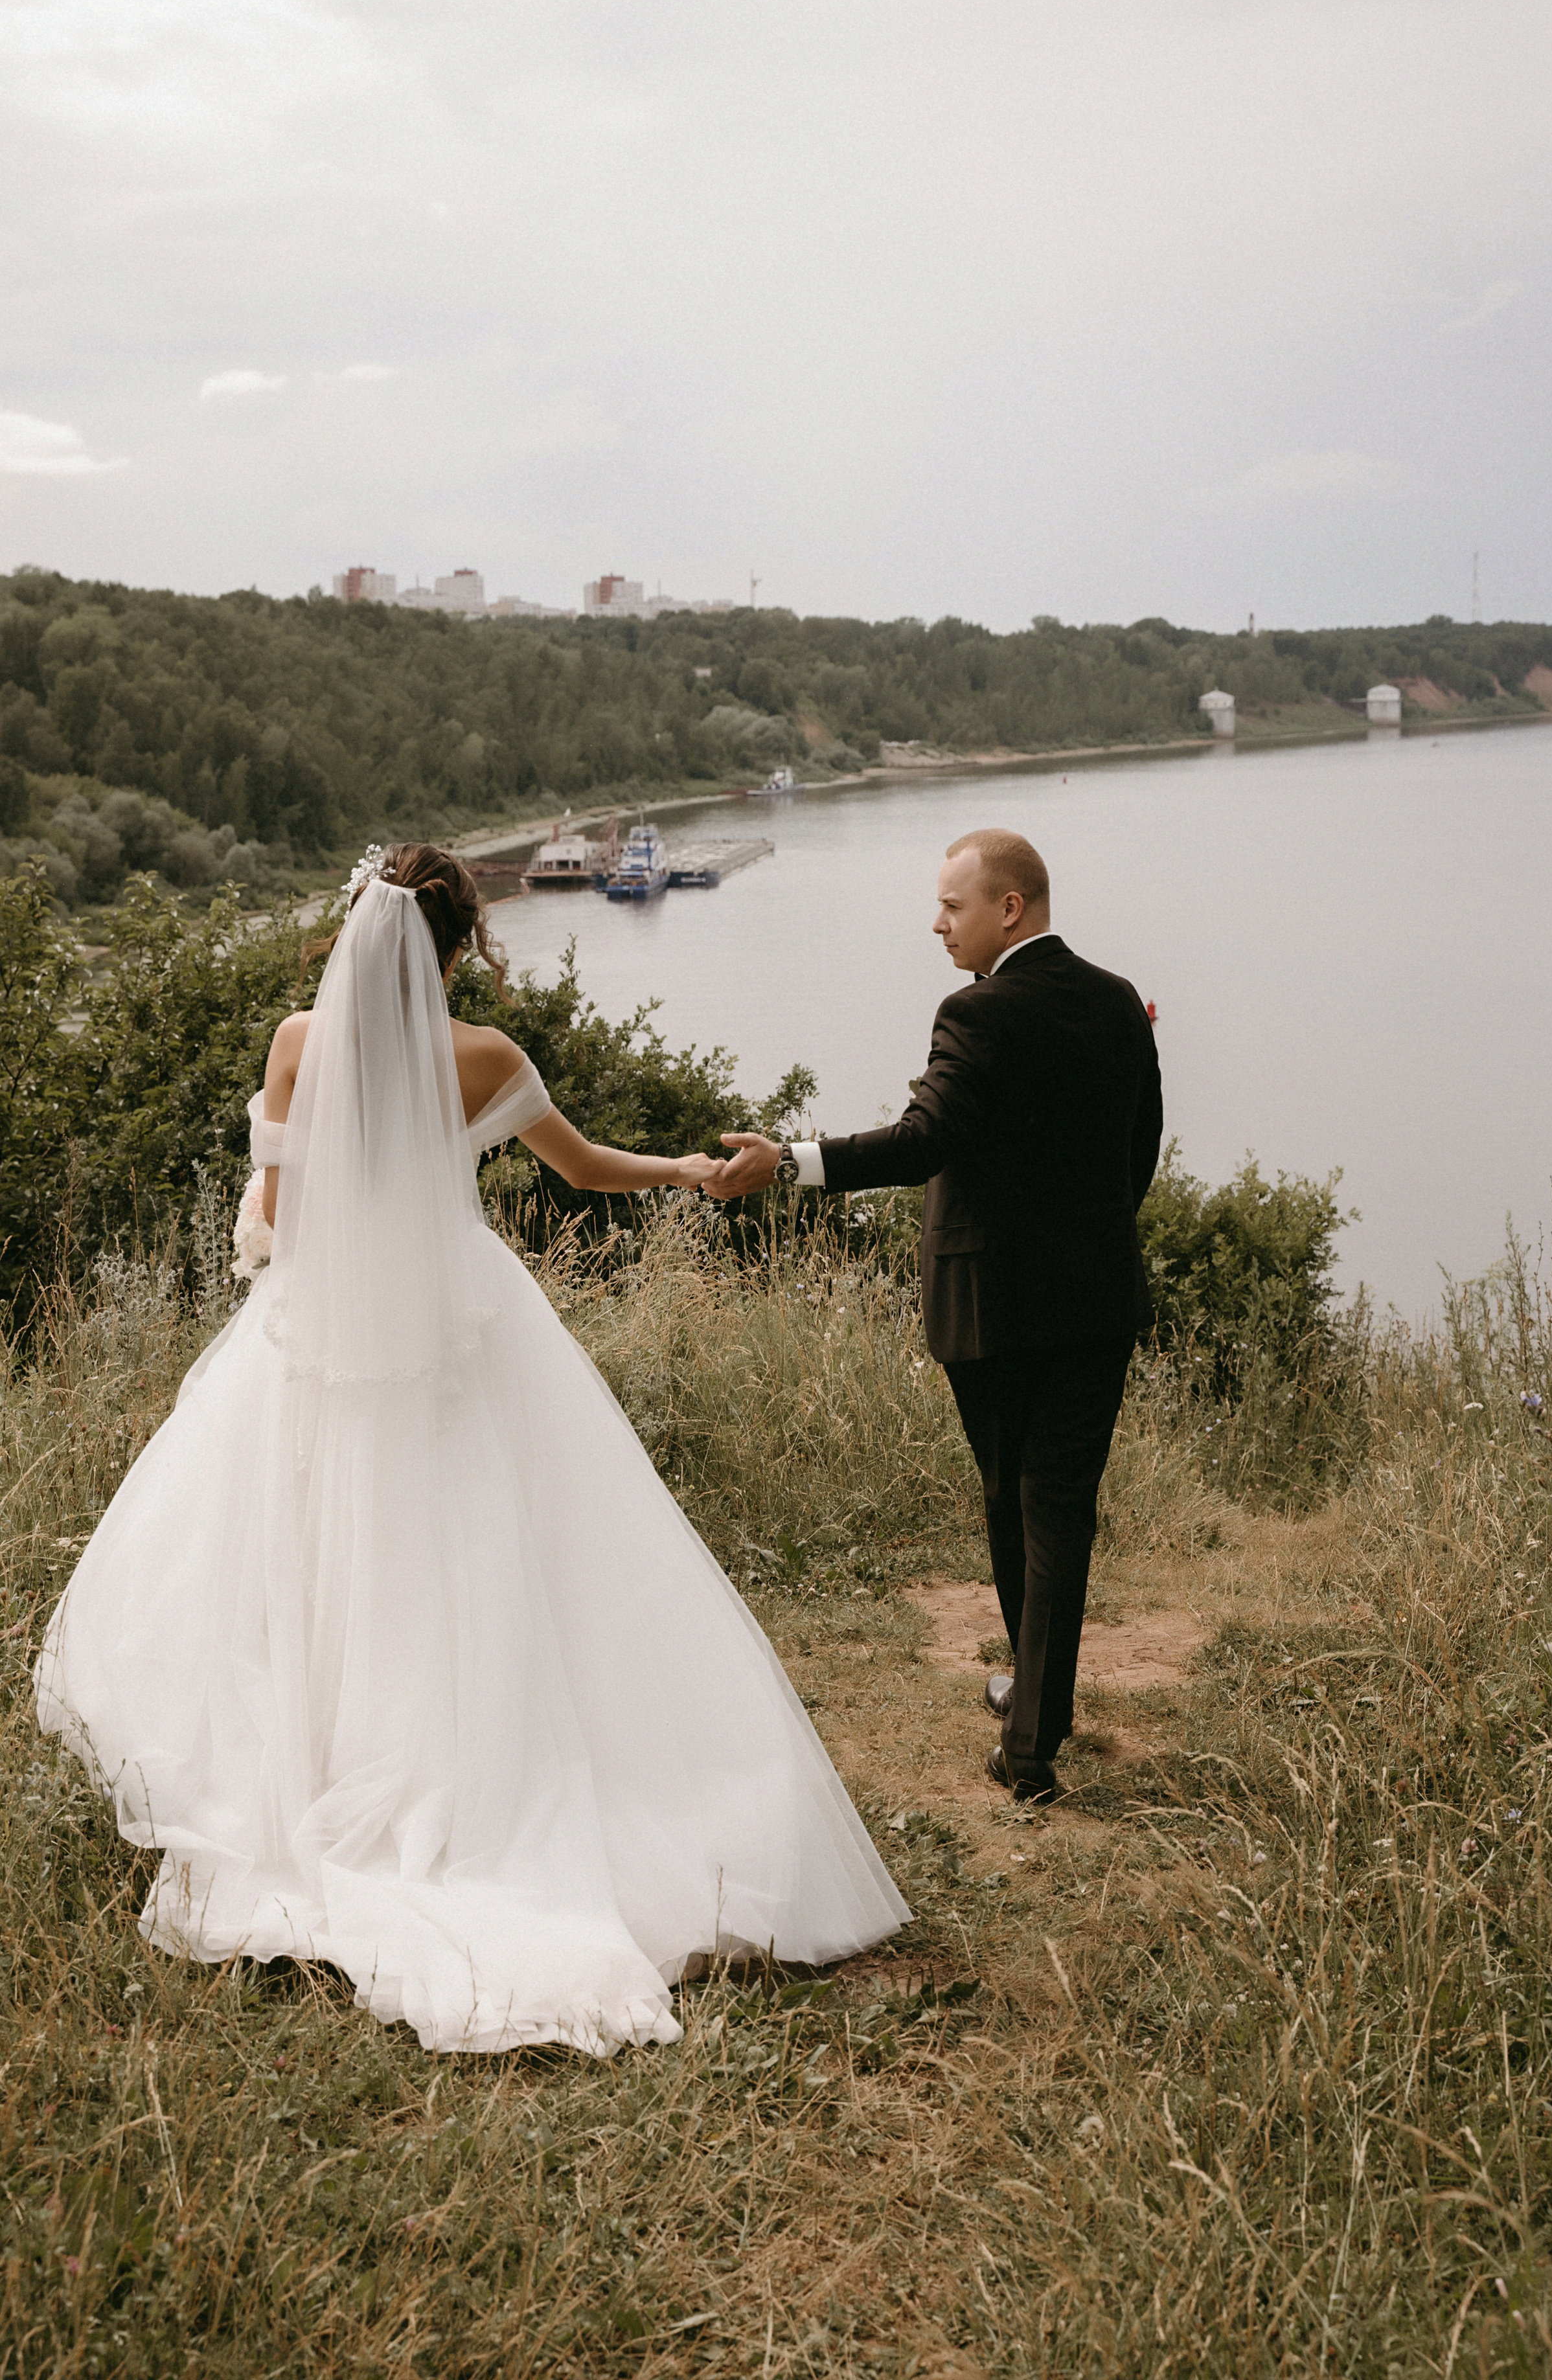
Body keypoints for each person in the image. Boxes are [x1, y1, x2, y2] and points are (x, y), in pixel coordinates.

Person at [36, 843, 908, 2056]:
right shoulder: (484, 1059)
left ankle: (319, 1778)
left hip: (316, 1337)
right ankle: (480, 1785)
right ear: (457, 948)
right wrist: (696, 1172)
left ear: (357, 932)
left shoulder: (298, 1045)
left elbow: (280, 1214)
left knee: (309, 1560)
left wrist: (267, 1248)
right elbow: (587, 1168)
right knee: (473, 1555)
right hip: (449, 1336)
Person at [706, 828, 1162, 1805]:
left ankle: (1032, 1741)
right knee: (1060, 1509)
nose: (936, 922)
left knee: (1011, 1500)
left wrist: (789, 1158)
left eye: (952, 906)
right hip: (1095, 1300)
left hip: (992, 1305)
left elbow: (923, 1144)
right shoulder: (1121, 1002)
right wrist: (1086, 1243)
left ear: (1010, 908)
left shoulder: (976, 1012)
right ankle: (1041, 1711)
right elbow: (1139, 1153)